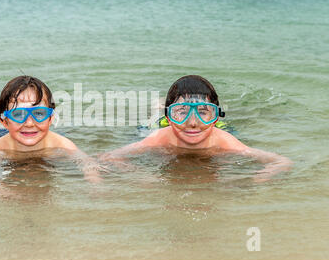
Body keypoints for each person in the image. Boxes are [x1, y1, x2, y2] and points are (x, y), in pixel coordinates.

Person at [103, 75, 292, 182]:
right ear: (169, 116)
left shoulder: (223, 140)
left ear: (215, 115)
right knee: (151, 125)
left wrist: (255, 180)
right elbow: (109, 157)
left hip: (214, 129)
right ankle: (158, 108)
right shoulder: (160, 137)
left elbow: (281, 162)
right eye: (181, 111)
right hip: (161, 126)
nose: (192, 122)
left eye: (203, 112)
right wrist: (145, 178)